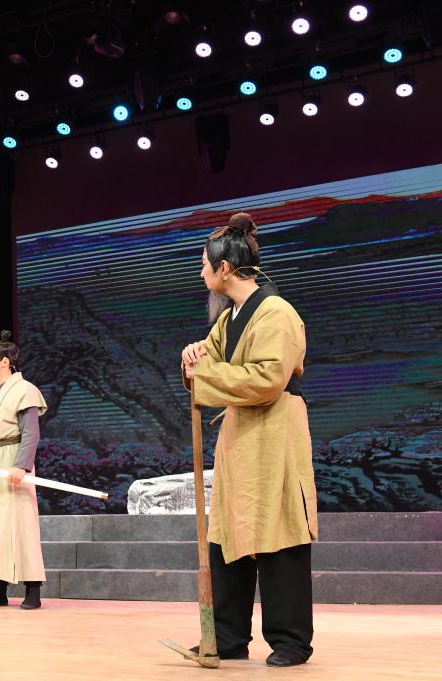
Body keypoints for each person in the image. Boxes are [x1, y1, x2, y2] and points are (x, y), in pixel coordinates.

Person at [181, 212, 317, 667]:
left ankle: (291, 640)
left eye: (204, 264)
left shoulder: (276, 313)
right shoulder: (230, 318)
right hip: (240, 435)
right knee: (227, 533)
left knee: (279, 531)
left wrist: (206, 373)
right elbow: (209, 360)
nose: (201, 272)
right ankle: (228, 636)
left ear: (224, 268)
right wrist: (193, 358)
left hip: (274, 432)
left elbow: (266, 379)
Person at [0, 331, 48, 609]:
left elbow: (31, 433)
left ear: (5, 361)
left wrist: (21, 465)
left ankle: (33, 590)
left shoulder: (24, 390)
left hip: (13, 459)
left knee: (21, 525)